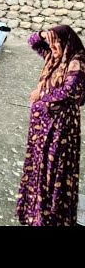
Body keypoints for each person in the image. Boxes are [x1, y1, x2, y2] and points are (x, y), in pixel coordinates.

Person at [16, 26, 85, 226]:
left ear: (68, 43)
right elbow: (32, 42)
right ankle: (36, 212)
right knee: (40, 166)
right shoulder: (55, 58)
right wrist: (45, 35)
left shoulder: (77, 62)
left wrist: (41, 96)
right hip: (43, 127)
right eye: (52, 43)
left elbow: (69, 92)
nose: (53, 46)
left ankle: (51, 216)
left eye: (58, 42)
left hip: (60, 129)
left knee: (54, 169)